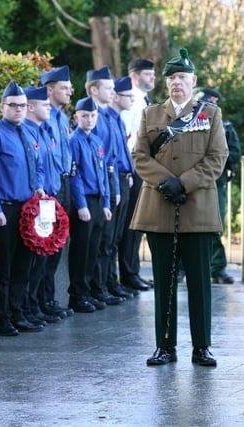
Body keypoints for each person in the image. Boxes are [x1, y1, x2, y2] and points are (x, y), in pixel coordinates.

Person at [131, 48, 227, 367]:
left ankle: (202, 347)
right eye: (171, 78)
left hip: (196, 208)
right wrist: (165, 181)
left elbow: (217, 158)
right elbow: (140, 156)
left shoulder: (209, 115)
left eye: (182, 78)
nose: (176, 83)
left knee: (199, 283)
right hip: (160, 208)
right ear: (166, 82)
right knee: (164, 282)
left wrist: (183, 183)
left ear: (193, 80)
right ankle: (165, 347)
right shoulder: (151, 114)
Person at [0, 80, 45, 336]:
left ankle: (18, 312)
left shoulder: (28, 132)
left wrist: (38, 187)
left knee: (23, 264)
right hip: (5, 210)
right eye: (13, 105)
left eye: (22, 106)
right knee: (3, 267)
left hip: (27, 210)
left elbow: (37, 166)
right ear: (2, 107)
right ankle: (2, 318)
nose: (18, 110)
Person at [21, 86, 62, 325]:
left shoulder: (41, 131)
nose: (49, 107)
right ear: (31, 107)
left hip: (48, 200)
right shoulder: (26, 132)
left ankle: (36, 303)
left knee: (44, 260)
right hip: (34, 204)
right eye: (44, 104)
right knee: (32, 261)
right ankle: (28, 306)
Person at [67, 96, 112, 313]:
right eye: (85, 116)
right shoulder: (73, 141)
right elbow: (74, 175)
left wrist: (106, 202)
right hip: (83, 202)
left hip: (97, 200)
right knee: (81, 250)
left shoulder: (96, 141)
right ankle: (78, 294)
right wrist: (81, 205)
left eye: (93, 115)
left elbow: (103, 173)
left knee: (94, 249)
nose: (89, 119)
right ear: (76, 117)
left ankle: (89, 292)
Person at [193, 87, 241, 284]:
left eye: (213, 104)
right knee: (183, 226)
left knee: (214, 225)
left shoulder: (225, 126)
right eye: (205, 104)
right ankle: (178, 270)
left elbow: (235, 152)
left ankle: (217, 269)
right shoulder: (185, 124)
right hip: (190, 182)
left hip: (214, 182)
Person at [85, 66, 124, 307]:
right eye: (108, 88)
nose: (112, 92)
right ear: (93, 89)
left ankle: (106, 283)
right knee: (98, 242)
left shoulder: (108, 116)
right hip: (99, 183)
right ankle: (96, 287)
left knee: (109, 239)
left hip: (110, 179)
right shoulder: (91, 116)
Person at [40, 65, 75, 319]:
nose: (70, 92)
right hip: (50, 188)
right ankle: (41, 301)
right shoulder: (45, 117)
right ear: (50, 90)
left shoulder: (62, 117)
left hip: (64, 184)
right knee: (46, 247)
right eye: (64, 88)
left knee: (57, 246)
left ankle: (48, 300)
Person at [119, 58, 157, 292]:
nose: (153, 78)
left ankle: (132, 271)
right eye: (148, 74)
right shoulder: (130, 101)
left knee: (138, 223)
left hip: (143, 165)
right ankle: (128, 273)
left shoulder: (143, 99)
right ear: (134, 75)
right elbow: (127, 137)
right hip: (134, 165)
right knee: (131, 223)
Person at [103, 77, 137, 302]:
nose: (132, 100)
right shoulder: (105, 119)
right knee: (107, 240)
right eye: (128, 96)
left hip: (124, 179)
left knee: (115, 238)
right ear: (115, 96)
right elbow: (107, 157)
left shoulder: (118, 119)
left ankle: (111, 282)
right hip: (113, 180)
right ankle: (105, 284)